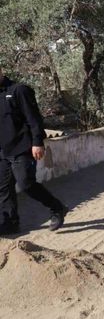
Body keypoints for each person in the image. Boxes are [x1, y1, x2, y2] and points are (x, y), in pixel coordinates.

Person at [0, 64, 68, 234]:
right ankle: (10, 223)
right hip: (2, 152)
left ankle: (57, 208)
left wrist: (37, 142)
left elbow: (34, 118)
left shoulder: (19, 90)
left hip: (22, 147)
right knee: (4, 188)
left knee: (26, 184)